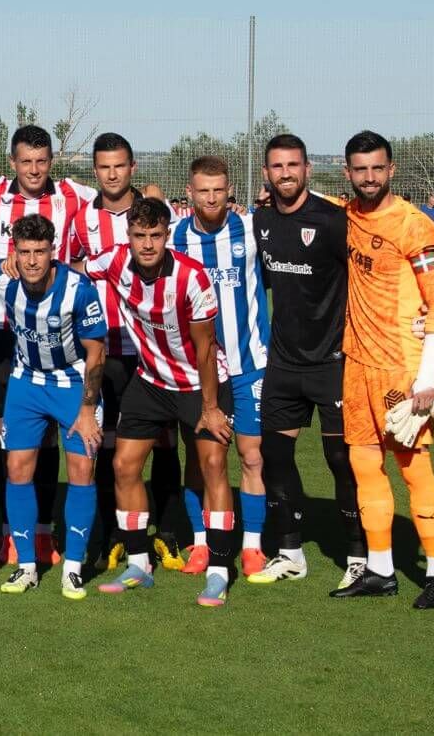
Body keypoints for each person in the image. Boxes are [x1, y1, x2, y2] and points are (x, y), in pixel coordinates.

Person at [86, 198, 237, 608]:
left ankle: (220, 571)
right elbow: (76, 269)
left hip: (199, 384)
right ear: (129, 236)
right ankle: (139, 563)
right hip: (150, 381)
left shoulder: (192, 277)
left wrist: (210, 408)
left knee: (212, 466)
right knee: (123, 465)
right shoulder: (115, 262)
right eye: (139, 236)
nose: (147, 244)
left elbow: (205, 349)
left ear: (167, 236)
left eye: (155, 236)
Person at [0, 125, 96, 568]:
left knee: (54, 436)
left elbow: (121, 197)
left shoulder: (74, 196)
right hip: (1, 332)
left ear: (51, 161)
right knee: (9, 438)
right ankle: (9, 535)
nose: (34, 170)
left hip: (56, 334)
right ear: (12, 163)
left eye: (41, 161)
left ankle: (42, 534)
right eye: (26, 162)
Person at [331, 131, 434, 610]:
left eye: (377, 168)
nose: (369, 178)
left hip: (400, 368)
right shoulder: (348, 216)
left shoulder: (415, 225)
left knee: (414, 469)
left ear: (392, 169)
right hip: (355, 364)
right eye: (360, 170)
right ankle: (380, 569)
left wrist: (427, 377)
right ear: (347, 173)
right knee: (364, 466)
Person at [247, 133, 368, 589]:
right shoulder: (260, 221)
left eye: (293, 165)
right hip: (283, 365)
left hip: (334, 363)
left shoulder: (334, 221)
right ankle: (291, 552)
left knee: (341, 459)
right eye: (277, 167)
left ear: (307, 169)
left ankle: (358, 555)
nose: (285, 174)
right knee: (275, 457)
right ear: (266, 173)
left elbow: (366, 278)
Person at [63, 133, 180, 569]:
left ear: (133, 167)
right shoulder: (80, 220)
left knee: (164, 442)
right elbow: (72, 271)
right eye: (104, 167)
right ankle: (116, 533)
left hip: (151, 349)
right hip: (102, 352)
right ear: (95, 171)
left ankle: (166, 532)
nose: (112, 175)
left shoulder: (152, 212)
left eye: (120, 166)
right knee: (108, 443)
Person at [0, 214, 107, 598]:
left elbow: (96, 352)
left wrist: (87, 411)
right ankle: (26, 566)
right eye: (24, 252)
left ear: (53, 252)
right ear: (14, 253)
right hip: (26, 383)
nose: (33, 261)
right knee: (16, 469)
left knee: (82, 470)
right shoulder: (3, 280)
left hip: (73, 383)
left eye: (40, 251)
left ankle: (73, 566)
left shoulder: (78, 289)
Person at [171, 157, 270, 578]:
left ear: (230, 191)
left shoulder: (250, 229)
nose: (211, 199)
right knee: (200, 459)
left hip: (250, 364)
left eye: (219, 191)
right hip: (198, 370)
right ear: (189, 193)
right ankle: (199, 543)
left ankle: (251, 546)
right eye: (203, 191)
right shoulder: (174, 236)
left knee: (251, 456)